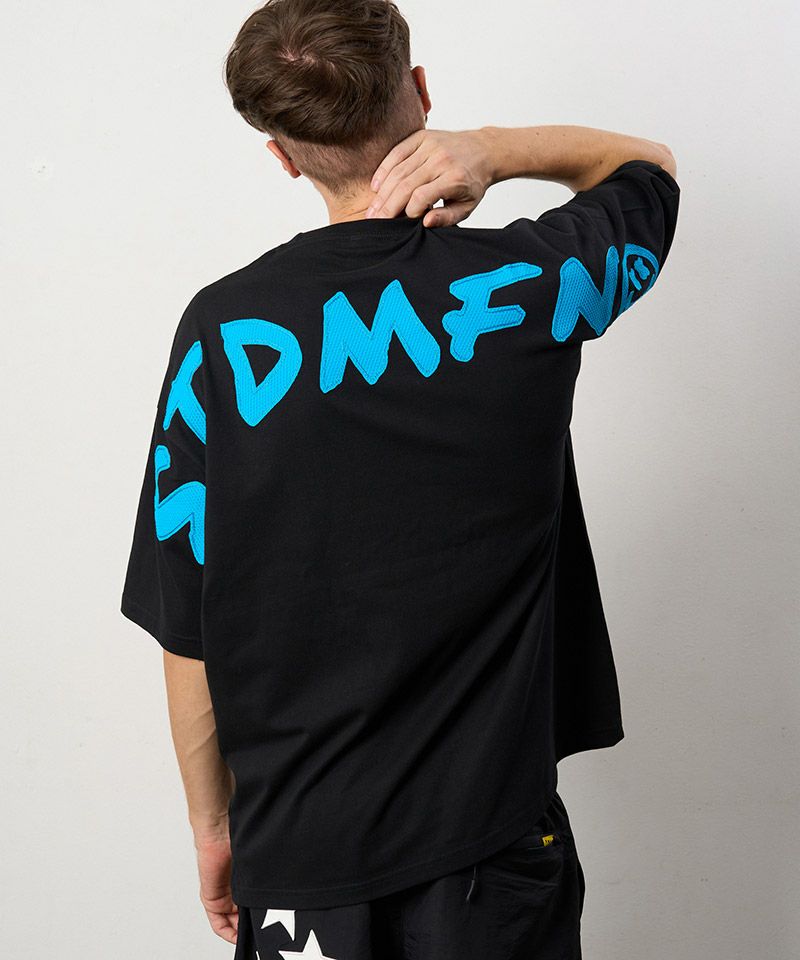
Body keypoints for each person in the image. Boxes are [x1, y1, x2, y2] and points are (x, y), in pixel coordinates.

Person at [119, 0, 680, 957]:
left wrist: (214, 830)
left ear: (283, 155)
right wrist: (492, 150)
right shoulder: (533, 286)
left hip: (299, 865)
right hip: (491, 854)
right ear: (419, 93)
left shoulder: (221, 336)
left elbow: (189, 625)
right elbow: (650, 170)